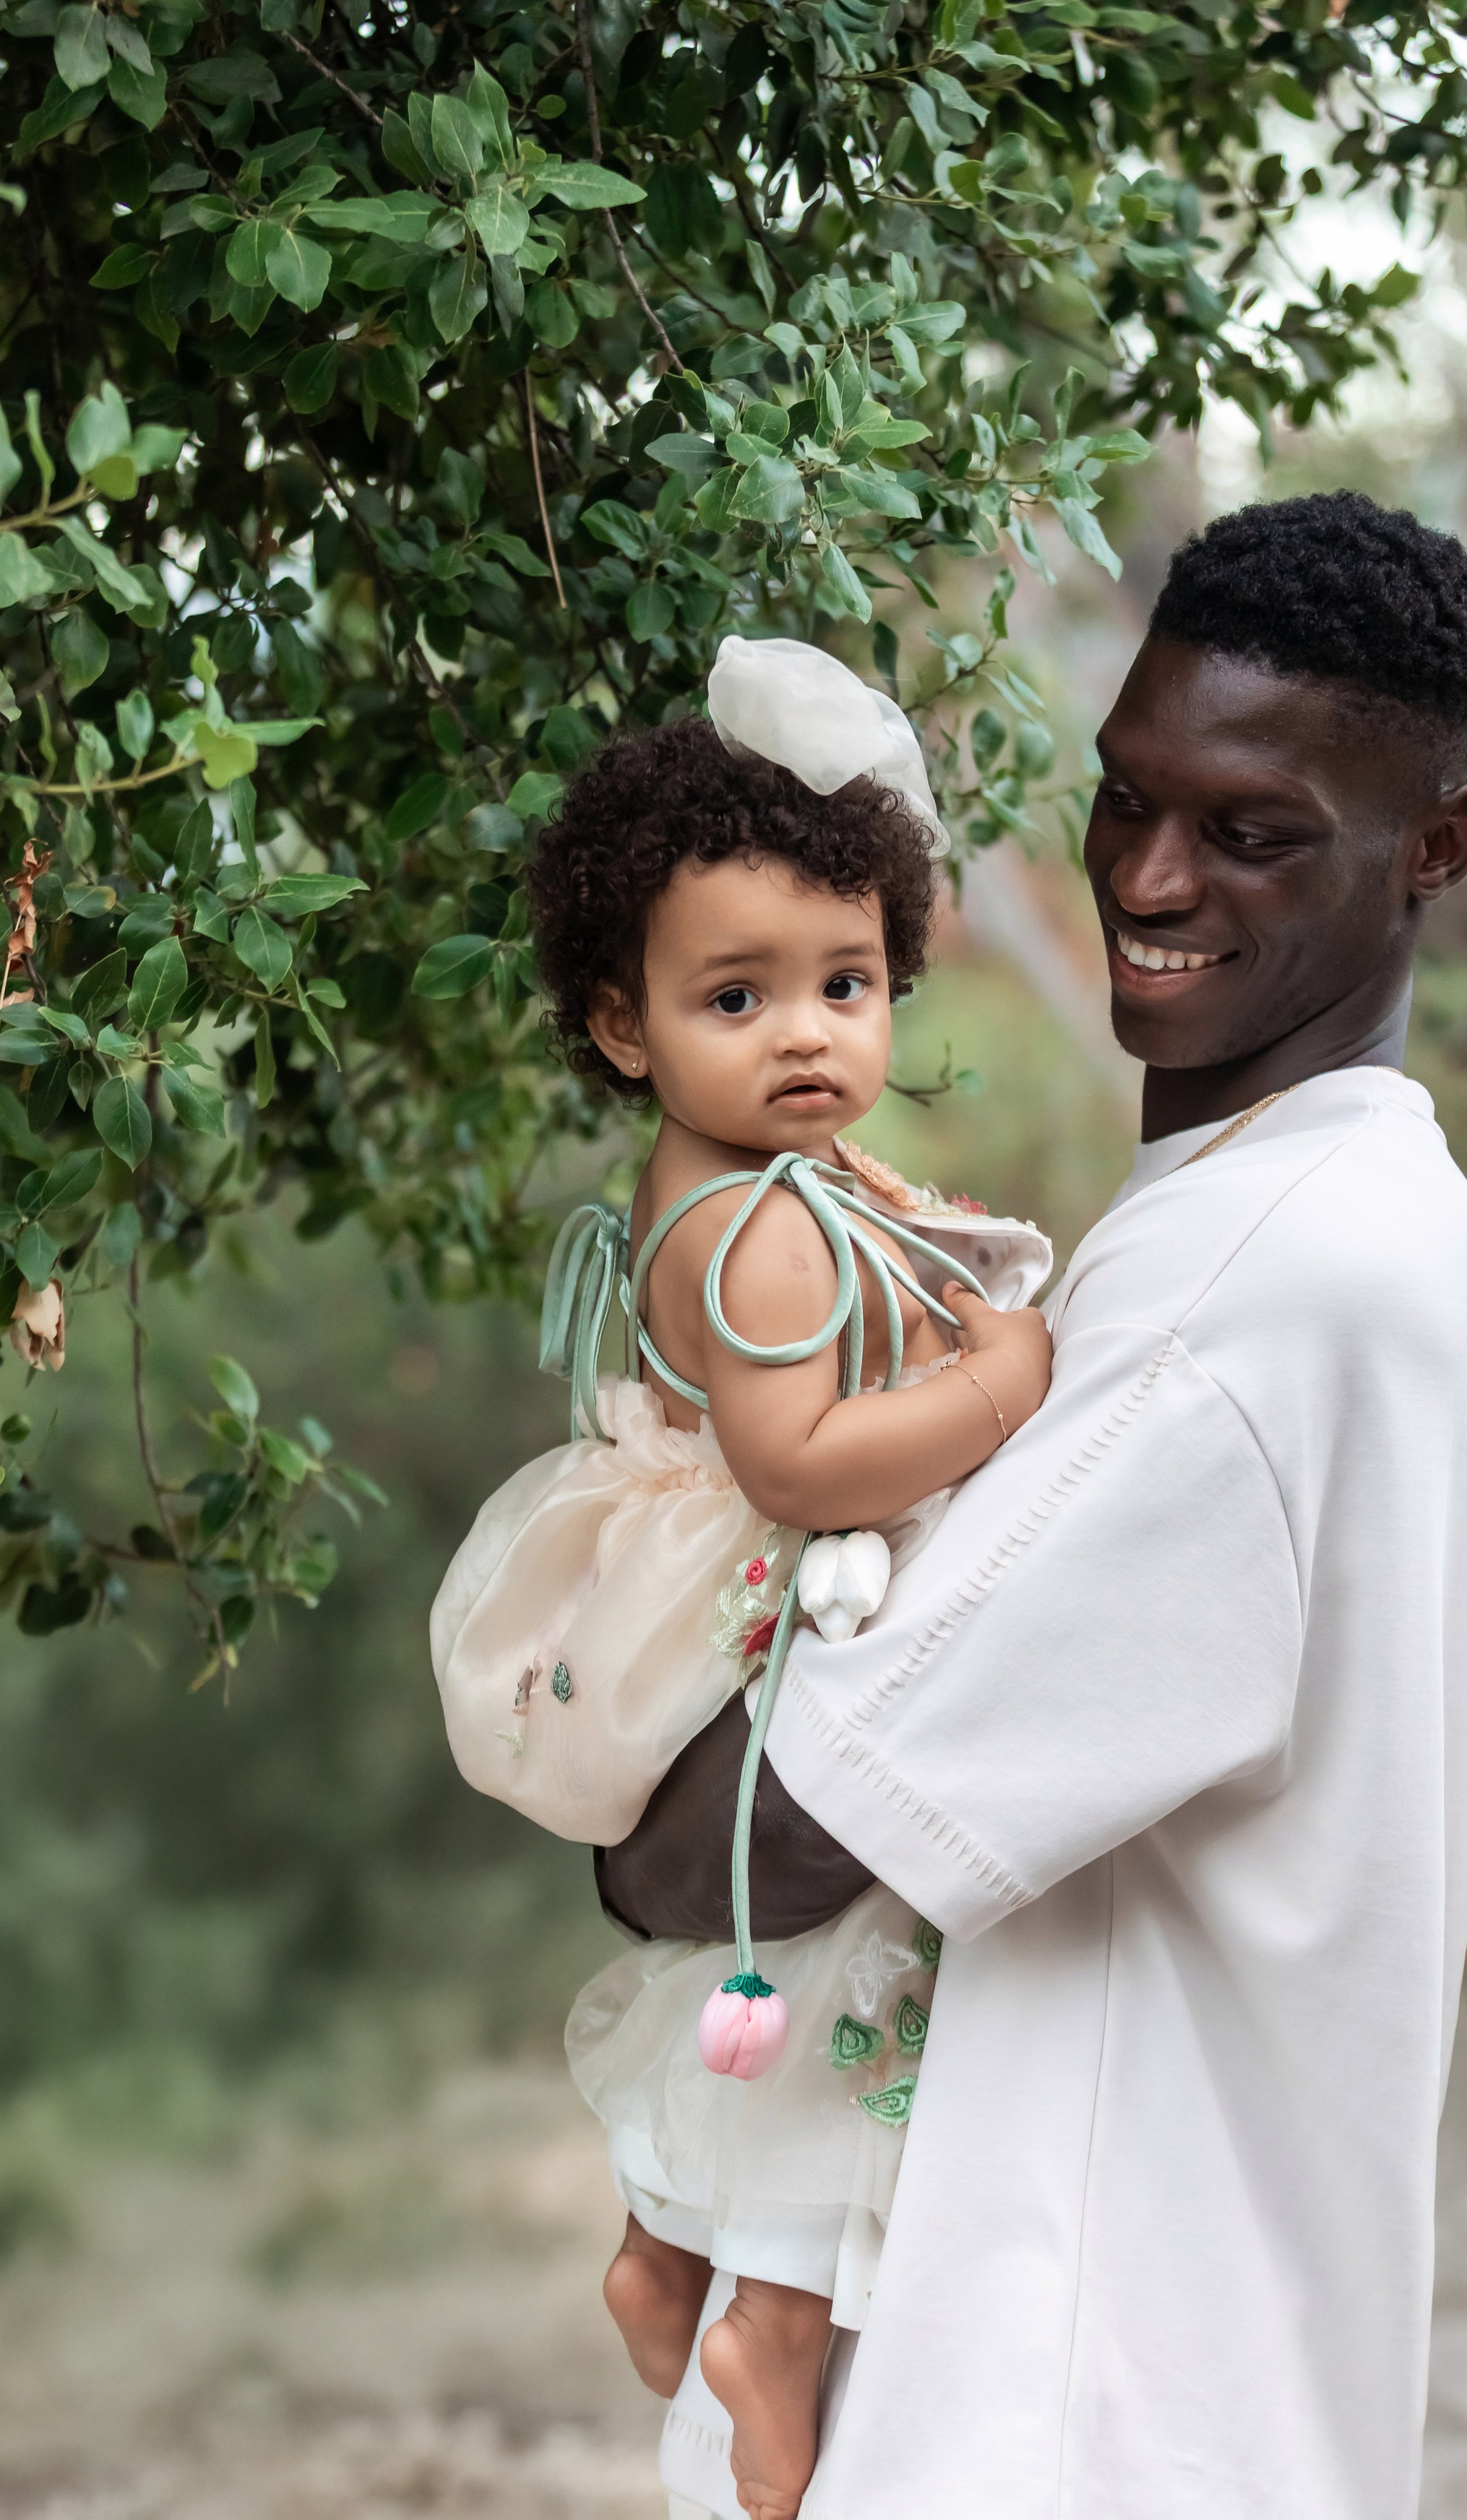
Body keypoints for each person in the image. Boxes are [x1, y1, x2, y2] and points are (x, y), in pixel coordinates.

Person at [598, 491, 1467, 2520]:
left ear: (1433, 846)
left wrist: (600, 1753)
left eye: (1254, 830)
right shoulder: (1377, 1221)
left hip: (1048, 2411)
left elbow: (753, 1843)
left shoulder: (1265, 1282)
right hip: (1193, 2392)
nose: (1151, 876)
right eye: (1128, 798)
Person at [429, 639, 1054, 2520]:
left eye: (845, 982)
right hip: (766, 1615)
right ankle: (771, 2318)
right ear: (626, 1027)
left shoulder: (739, 1170)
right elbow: (794, 1459)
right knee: (869, 1926)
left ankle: (663, 2242)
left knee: (777, 1957)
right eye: (740, 995)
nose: (808, 1034)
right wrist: (990, 1382)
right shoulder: (755, 1228)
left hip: (743, 1590)